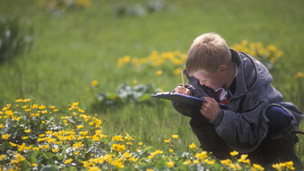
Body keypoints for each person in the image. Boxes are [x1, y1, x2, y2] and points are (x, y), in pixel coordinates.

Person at [172, 32, 304, 168]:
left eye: (203, 79)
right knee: (201, 110)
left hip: (258, 141)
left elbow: (248, 135)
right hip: (234, 143)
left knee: (276, 114)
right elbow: (197, 88)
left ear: (222, 70)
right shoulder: (213, 78)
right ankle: (218, 163)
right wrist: (185, 95)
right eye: (198, 79)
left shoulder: (253, 88)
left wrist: (218, 116)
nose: (200, 83)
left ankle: (282, 165)